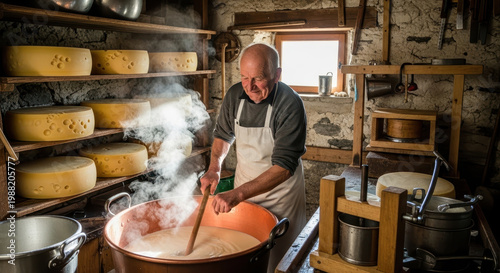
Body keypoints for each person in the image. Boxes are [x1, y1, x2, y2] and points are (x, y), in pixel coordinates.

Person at [200, 43, 307, 272]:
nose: (250, 87)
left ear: (277, 75)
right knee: (245, 260)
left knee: (279, 263)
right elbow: (222, 136)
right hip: (243, 196)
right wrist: (214, 168)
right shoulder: (234, 94)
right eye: (244, 77)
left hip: (282, 198)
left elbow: (284, 167)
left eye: (258, 78)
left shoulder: (290, 104)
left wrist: (236, 194)